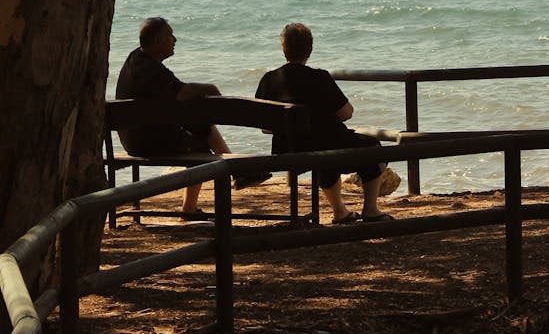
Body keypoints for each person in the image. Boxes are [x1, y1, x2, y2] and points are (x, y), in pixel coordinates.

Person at [255, 22, 392, 224]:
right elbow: (346, 113)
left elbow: (265, 127)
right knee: (374, 147)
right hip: (328, 144)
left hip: (287, 150)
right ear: (309, 49)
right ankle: (370, 209)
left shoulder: (268, 79)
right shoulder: (319, 77)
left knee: (324, 153)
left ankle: (340, 211)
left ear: (284, 49)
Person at [116, 16, 231, 220]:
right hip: (147, 143)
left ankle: (237, 171)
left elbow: (176, 91)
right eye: (170, 36)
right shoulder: (153, 71)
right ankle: (190, 209)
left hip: (132, 138)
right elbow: (183, 93)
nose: (175, 39)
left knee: (199, 125)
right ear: (158, 41)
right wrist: (209, 88)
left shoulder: (135, 59)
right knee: (201, 149)